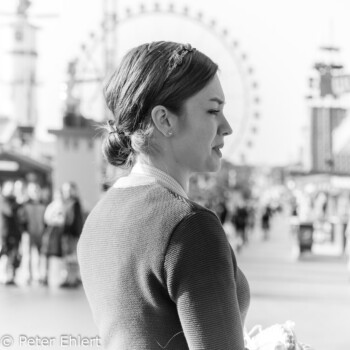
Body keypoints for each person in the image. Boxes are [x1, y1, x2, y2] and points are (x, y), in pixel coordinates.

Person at [77, 41, 250, 349]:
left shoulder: (97, 220)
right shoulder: (191, 228)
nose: (227, 127)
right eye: (213, 110)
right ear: (164, 119)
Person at [20, 182, 46, 284]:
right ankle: (28, 275)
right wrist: (24, 230)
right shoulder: (25, 204)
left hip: (40, 232)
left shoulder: (43, 204)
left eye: (36, 190)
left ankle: (39, 274)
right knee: (27, 254)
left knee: (41, 254)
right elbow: (21, 219)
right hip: (28, 233)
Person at [60, 181, 84, 288]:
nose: (67, 192)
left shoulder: (75, 204)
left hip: (73, 234)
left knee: (72, 257)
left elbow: (75, 220)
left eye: (69, 190)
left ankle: (73, 279)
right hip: (65, 234)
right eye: (65, 190)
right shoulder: (64, 203)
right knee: (66, 257)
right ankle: (68, 277)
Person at [0, 181, 22, 285]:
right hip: (5, 232)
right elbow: (9, 211)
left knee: (13, 255)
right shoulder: (3, 200)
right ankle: (3, 275)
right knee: (5, 254)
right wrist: (18, 203)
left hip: (15, 233)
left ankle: (11, 276)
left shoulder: (15, 202)